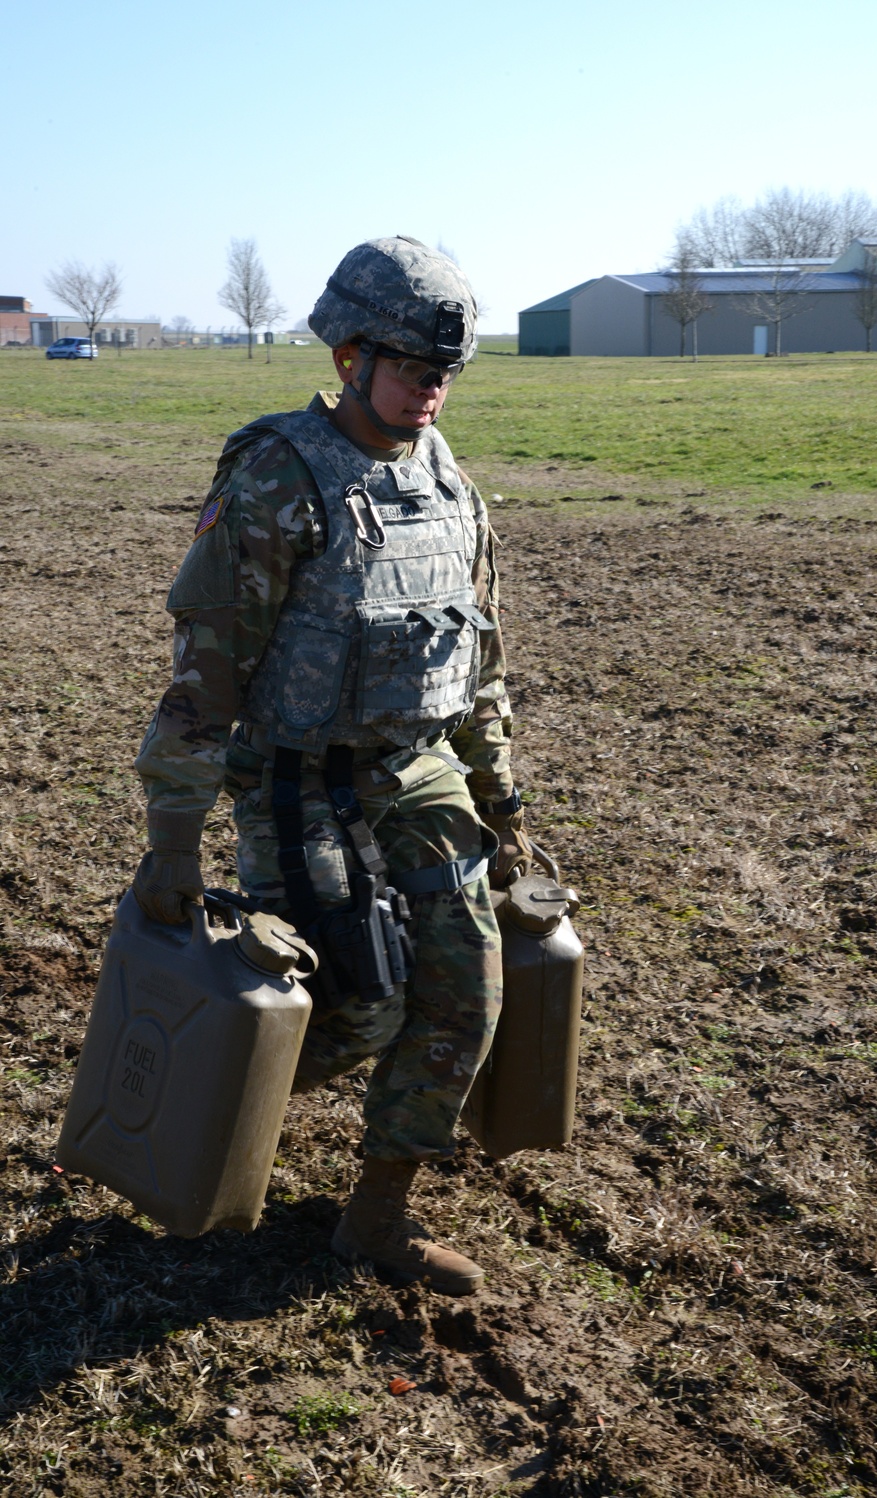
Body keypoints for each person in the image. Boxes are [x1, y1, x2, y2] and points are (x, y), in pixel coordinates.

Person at [131, 236, 531, 1296]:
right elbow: (207, 667)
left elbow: (479, 664)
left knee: (465, 991)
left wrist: (505, 803)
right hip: (297, 776)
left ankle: (379, 1214)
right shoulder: (278, 473)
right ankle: (195, 1104)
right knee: (356, 1002)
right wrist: (174, 838)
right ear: (351, 353)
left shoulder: (451, 487)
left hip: (418, 767)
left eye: (443, 374)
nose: (428, 392)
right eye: (409, 369)